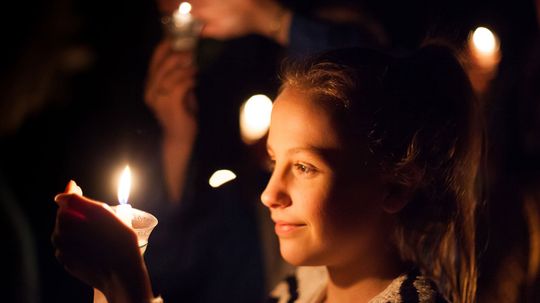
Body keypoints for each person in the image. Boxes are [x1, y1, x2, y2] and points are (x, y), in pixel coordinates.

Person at [52, 44, 482, 303]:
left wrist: (128, 290)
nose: (270, 194)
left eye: (304, 167)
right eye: (275, 162)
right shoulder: (298, 288)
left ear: (395, 184)